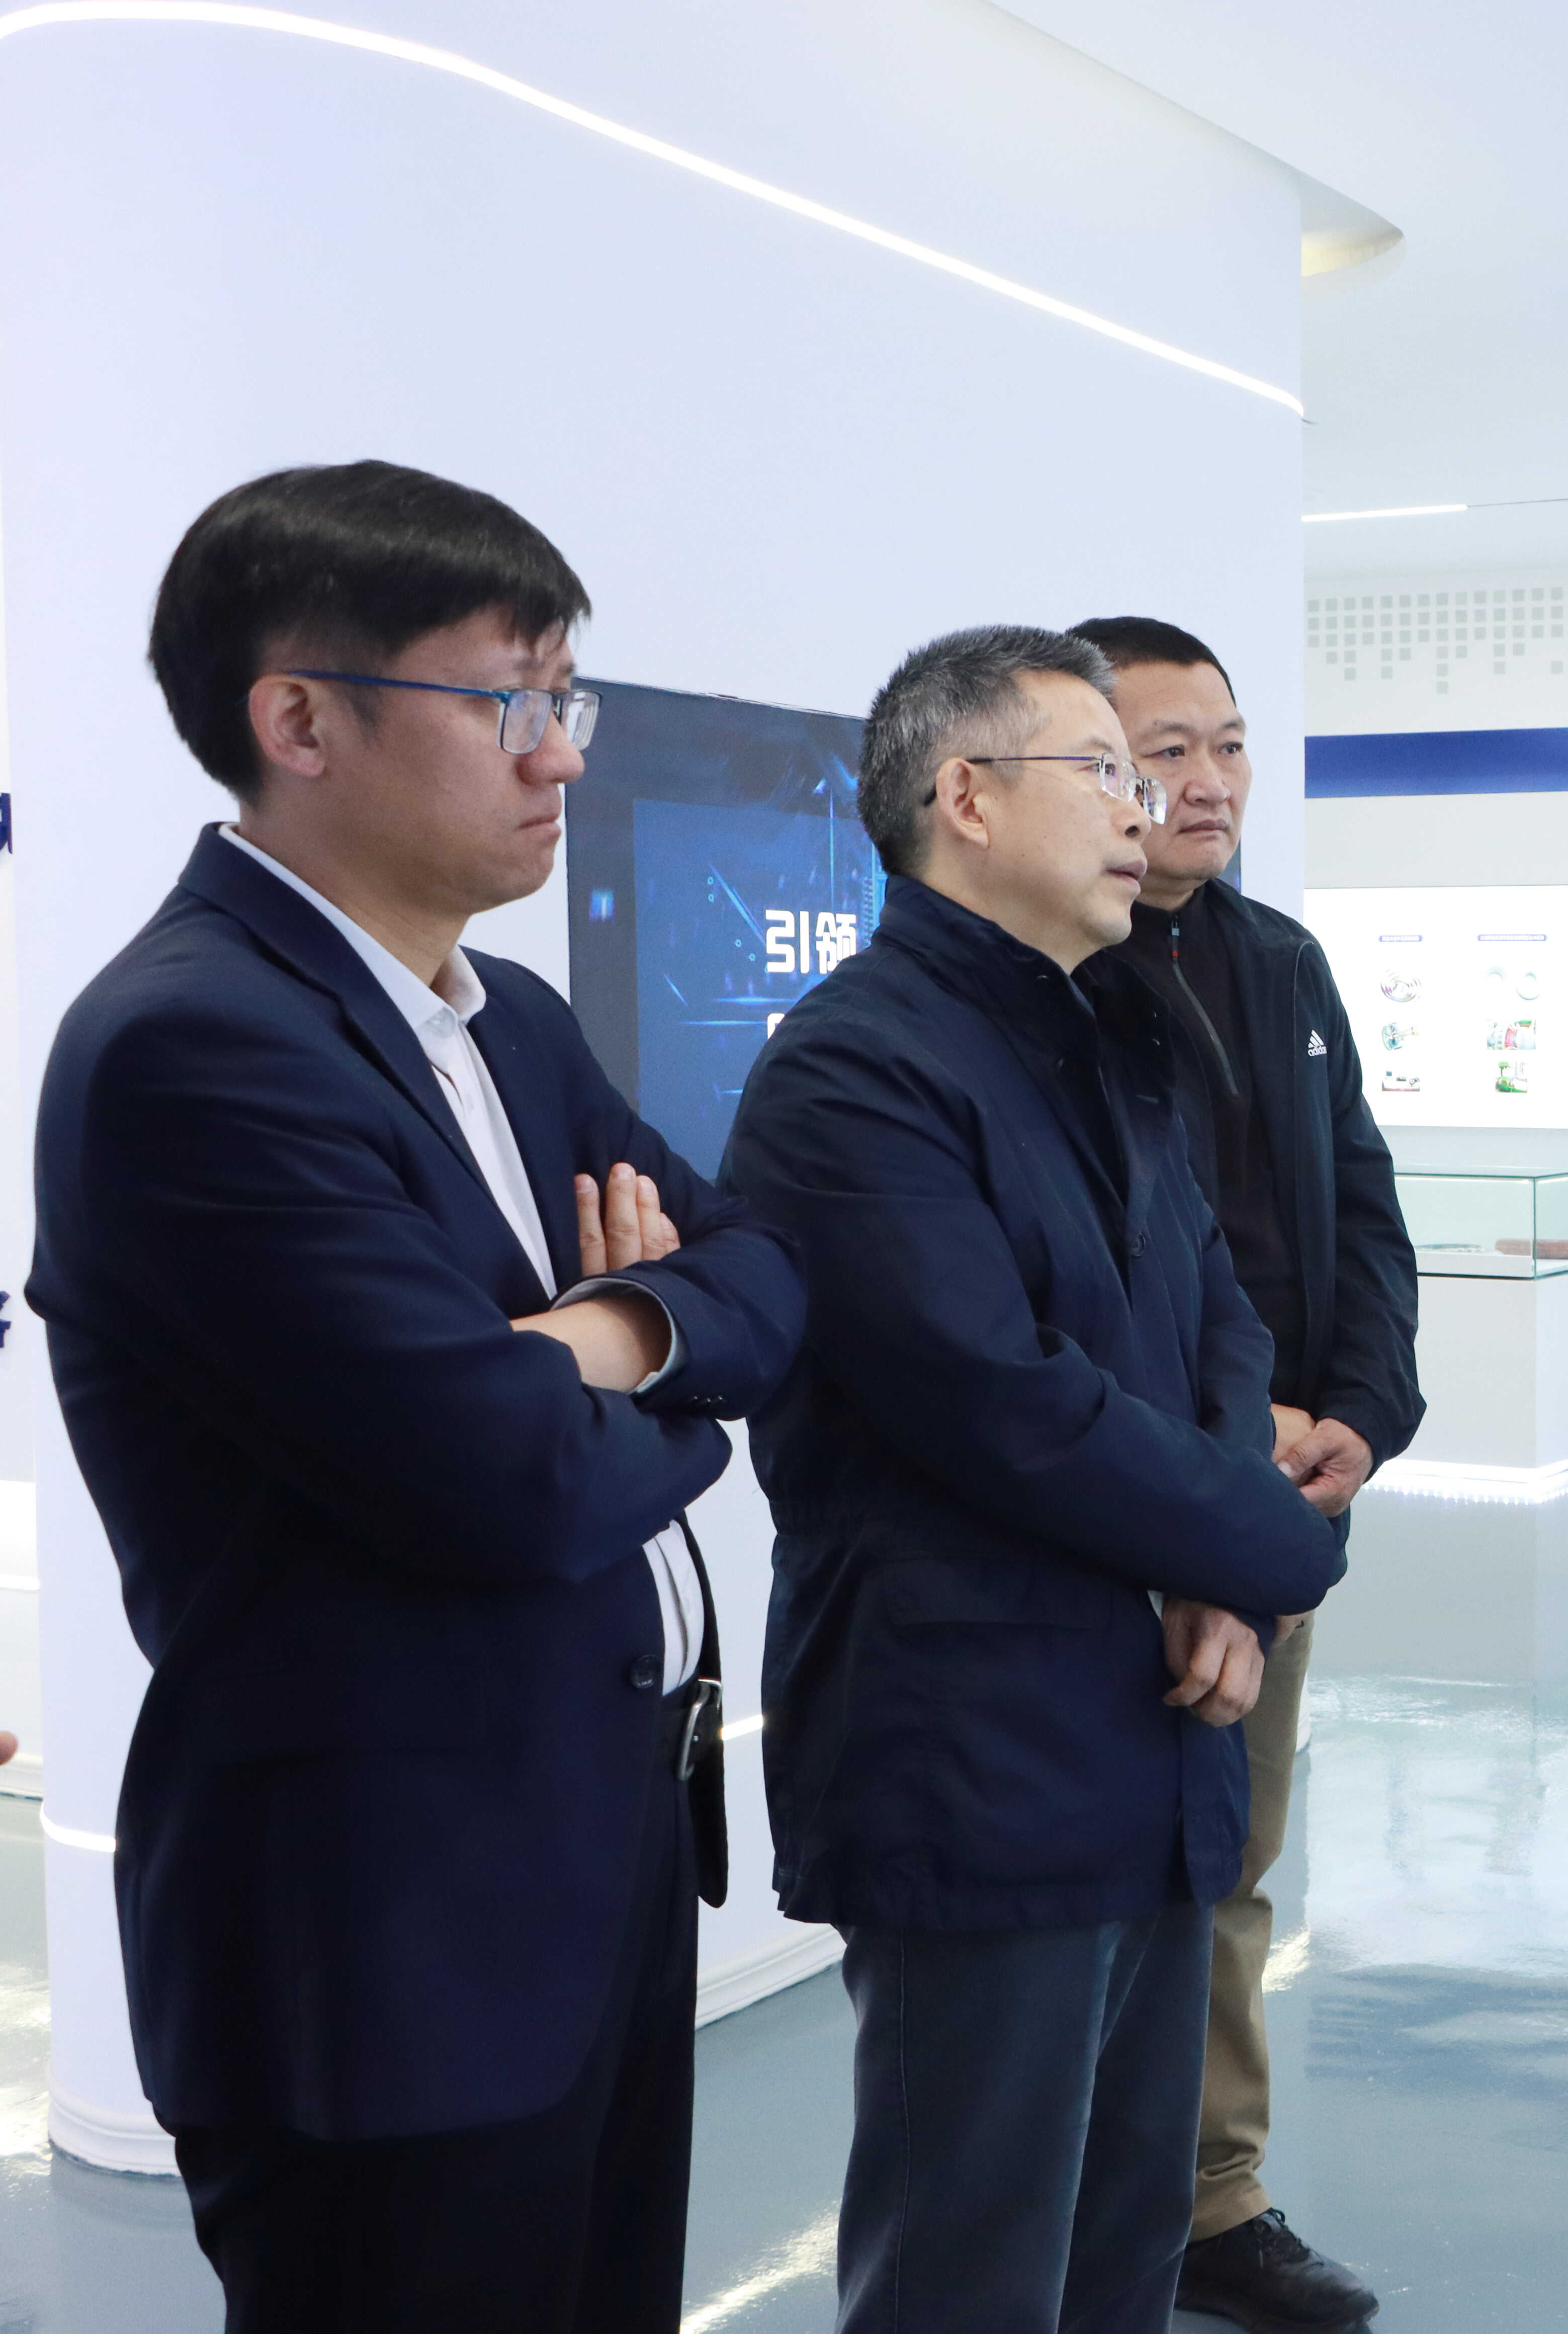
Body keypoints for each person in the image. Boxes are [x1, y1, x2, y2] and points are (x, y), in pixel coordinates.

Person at [28, 461, 807, 2331]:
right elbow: (504, 1477)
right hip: (384, 1929)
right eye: (507, 702)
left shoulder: (506, 1018)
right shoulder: (195, 1046)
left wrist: (595, 1335)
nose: (563, 755)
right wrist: (643, 1344)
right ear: (299, 720)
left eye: (565, 699)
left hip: (597, 1850)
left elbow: (774, 1283)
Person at [725, 626, 1347, 2334]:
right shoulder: (853, 1070)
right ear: (969, 798)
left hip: (1153, 1739)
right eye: (1107, 772)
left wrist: (1220, 1572)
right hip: (976, 1756)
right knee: (973, 2266)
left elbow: (1217, 1320)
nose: (1148, 810)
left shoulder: (1103, 1035)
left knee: (1121, 2249)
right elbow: (1004, 1402)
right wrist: (1270, 1550)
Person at [1070, 616, 1419, 2334]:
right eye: (1162, 752)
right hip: (1119, 1496)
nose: (1207, 783)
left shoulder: (1277, 959)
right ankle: (1084, 2195)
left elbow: (1356, 1197)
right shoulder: (1054, 979)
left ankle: (1214, 2198)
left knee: (1234, 1856)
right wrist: (1221, 1447)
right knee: (1087, 1877)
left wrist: (1363, 1407)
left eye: (1227, 744)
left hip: (1281, 1494)